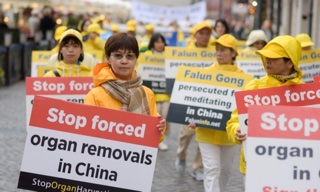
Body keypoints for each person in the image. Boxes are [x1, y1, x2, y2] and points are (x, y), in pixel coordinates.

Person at [226, 35, 303, 187]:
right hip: (255, 164)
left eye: (273, 58)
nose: (267, 60)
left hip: (292, 166)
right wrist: (236, 131)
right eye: (265, 56)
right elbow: (233, 121)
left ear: (290, 63)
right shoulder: (253, 87)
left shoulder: (306, 92)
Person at [84, 32, 166, 144]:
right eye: (118, 55)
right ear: (108, 58)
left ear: (136, 58)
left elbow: (154, 139)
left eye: (130, 56)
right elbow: (86, 137)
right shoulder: (95, 95)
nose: (124, 61)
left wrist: (160, 128)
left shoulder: (147, 93)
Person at [189, 34, 245, 192]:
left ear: (233, 53)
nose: (219, 53)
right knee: (212, 169)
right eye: (217, 50)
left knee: (225, 171)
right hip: (205, 132)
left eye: (223, 50)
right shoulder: (204, 73)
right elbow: (193, 101)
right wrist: (190, 117)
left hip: (229, 135)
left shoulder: (243, 78)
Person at [175, 21, 214, 181]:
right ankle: (181, 155)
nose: (204, 37)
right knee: (186, 134)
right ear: (195, 35)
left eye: (207, 33)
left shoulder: (213, 52)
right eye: (201, 33)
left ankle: (198, 167)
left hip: (207, 101)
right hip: (189, 100)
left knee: (202, 136)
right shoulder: (187, 52)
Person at [144, 33, 170, 151]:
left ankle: (161, 139)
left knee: (164, 117)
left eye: (162, 42)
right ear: (153, 43)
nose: (160, 44)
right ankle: (155, 140)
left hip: (165, 94)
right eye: (157, 42)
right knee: (155, 118)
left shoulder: (168, 56)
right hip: (152, 94)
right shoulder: (146, 56)